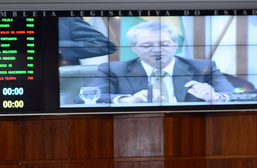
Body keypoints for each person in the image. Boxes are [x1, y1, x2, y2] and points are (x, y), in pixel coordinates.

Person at [87, 20, 234, 105]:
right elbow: (85, 98)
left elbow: (234, 96)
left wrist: (216, 97)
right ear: (134, 48)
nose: (157, 50)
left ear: (175, 45)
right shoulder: (113, 69)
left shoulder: (204, 67)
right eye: (147, 46)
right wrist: (128, 100)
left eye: (164, 44)